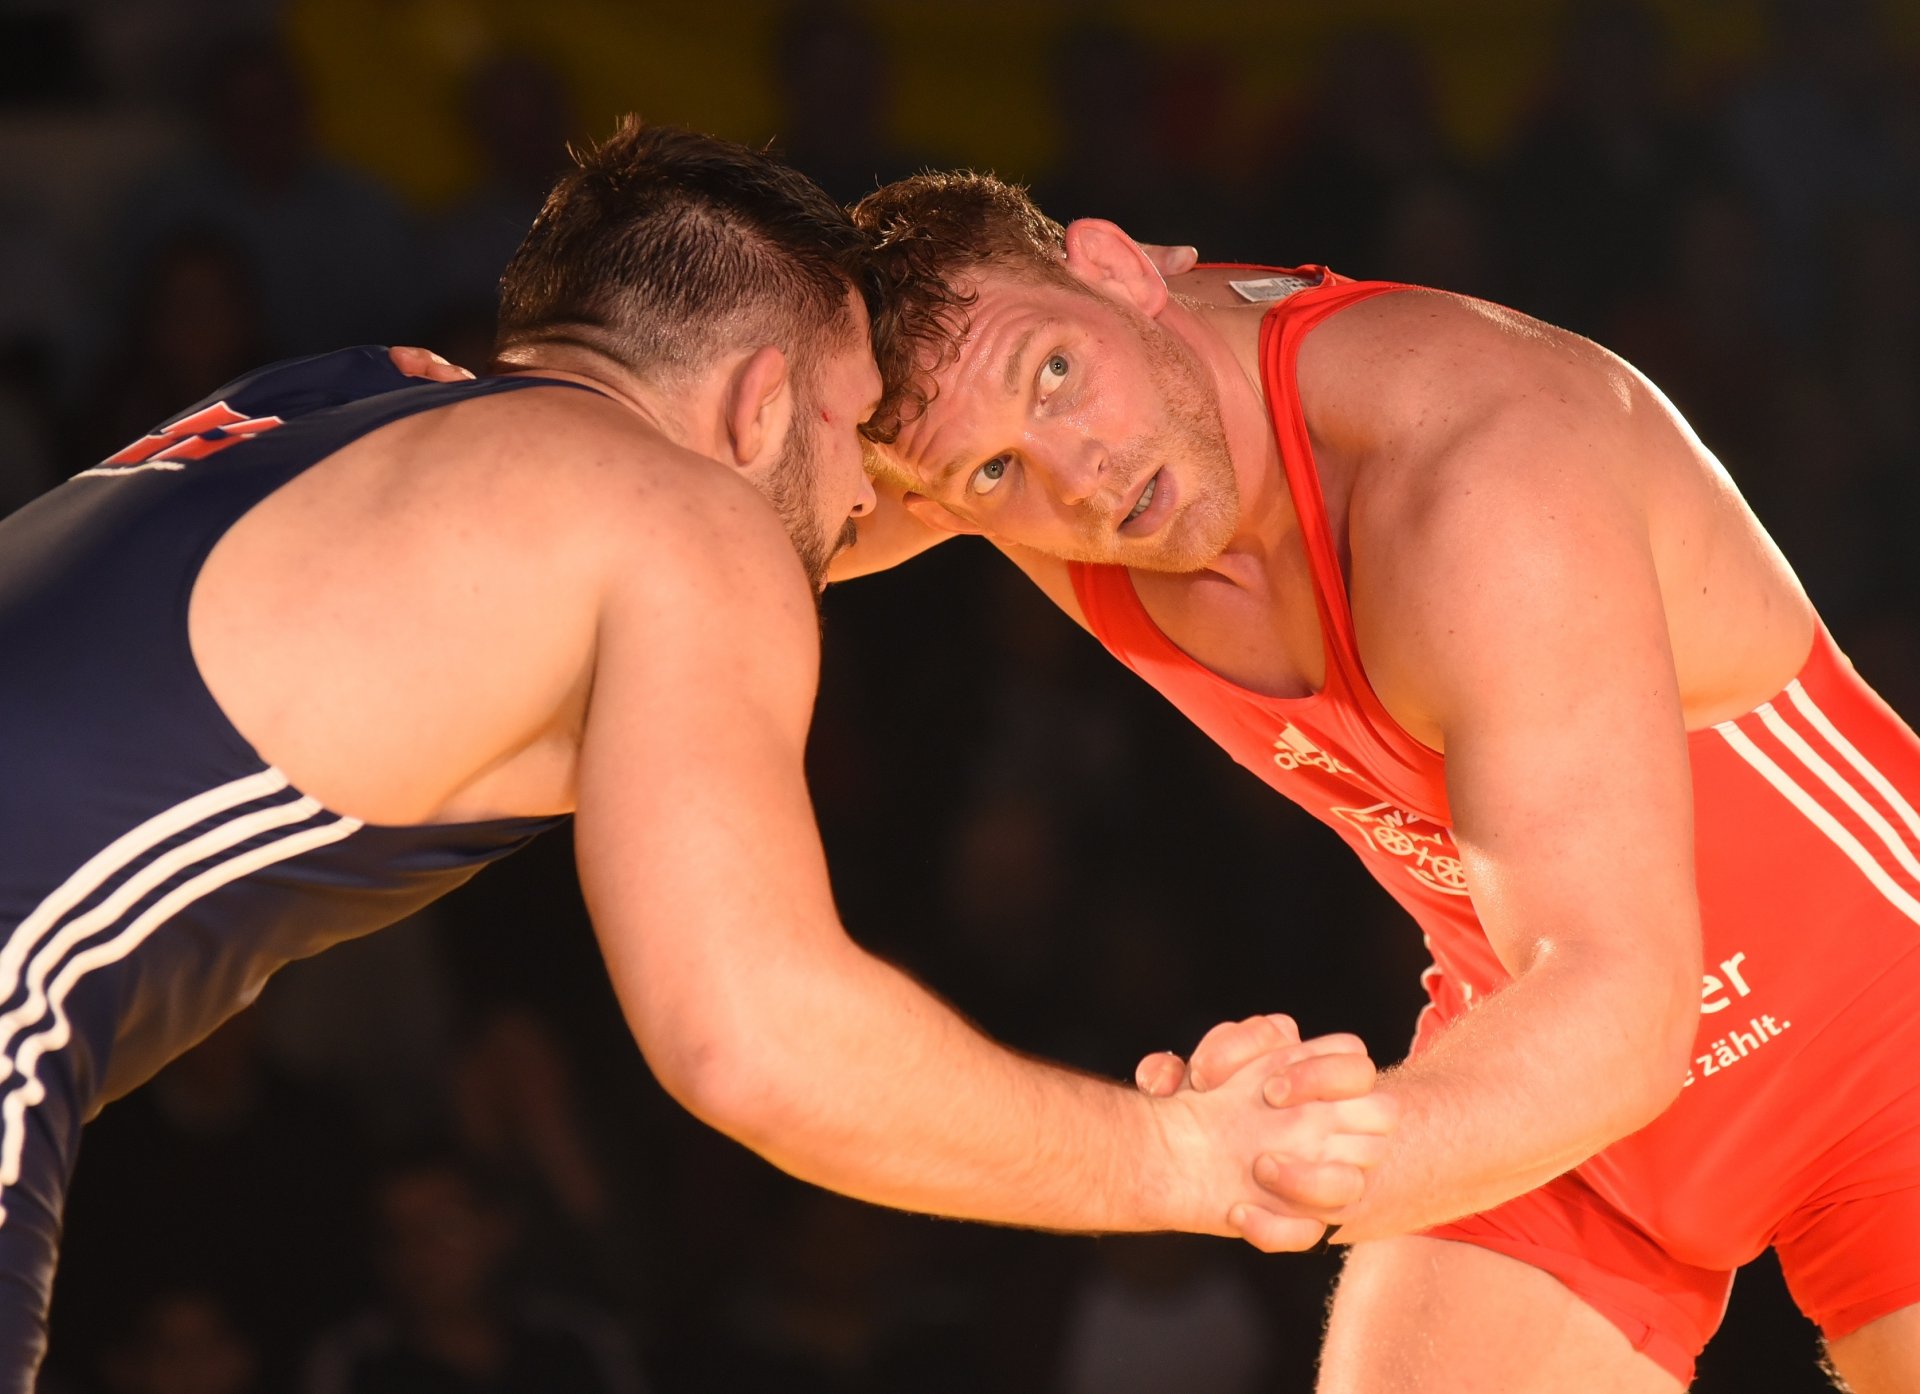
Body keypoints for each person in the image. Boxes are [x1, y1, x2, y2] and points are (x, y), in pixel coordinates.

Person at [0, 124, 1396, 1387]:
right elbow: (756, 1039)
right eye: (862, 431)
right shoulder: (683, 523)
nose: (871, 496)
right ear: (761, 403)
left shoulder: (340, 402)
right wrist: (1181, 1160)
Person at [839, 170, 1920, 1393]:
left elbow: (1628, 1007)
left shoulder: (1481, 473)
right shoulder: (1022, 459)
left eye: (1056, 373)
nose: (1077, 477)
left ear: (1121, 265)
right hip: (1530, 1058)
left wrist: (1275, 1157)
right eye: (988, 475)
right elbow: (703, 476)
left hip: (1868, 1034)